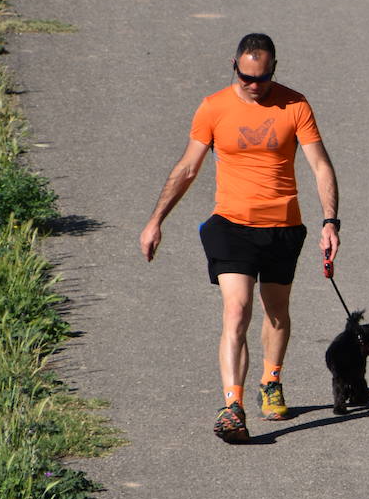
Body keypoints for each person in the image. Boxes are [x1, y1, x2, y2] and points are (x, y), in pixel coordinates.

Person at [140, 33, 340, 442]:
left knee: (277, 312)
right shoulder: (213, 108)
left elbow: (320, 166)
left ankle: (271, 379)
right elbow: (187, 168)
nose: (254, 84)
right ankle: (233, 405)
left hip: (283, 226)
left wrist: (330, 221)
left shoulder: (295, 104)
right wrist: (155, 219)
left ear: (273, 69)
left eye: (262, 77)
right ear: (234, 66)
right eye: (247, 76)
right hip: (231, 225)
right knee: (237, 311)